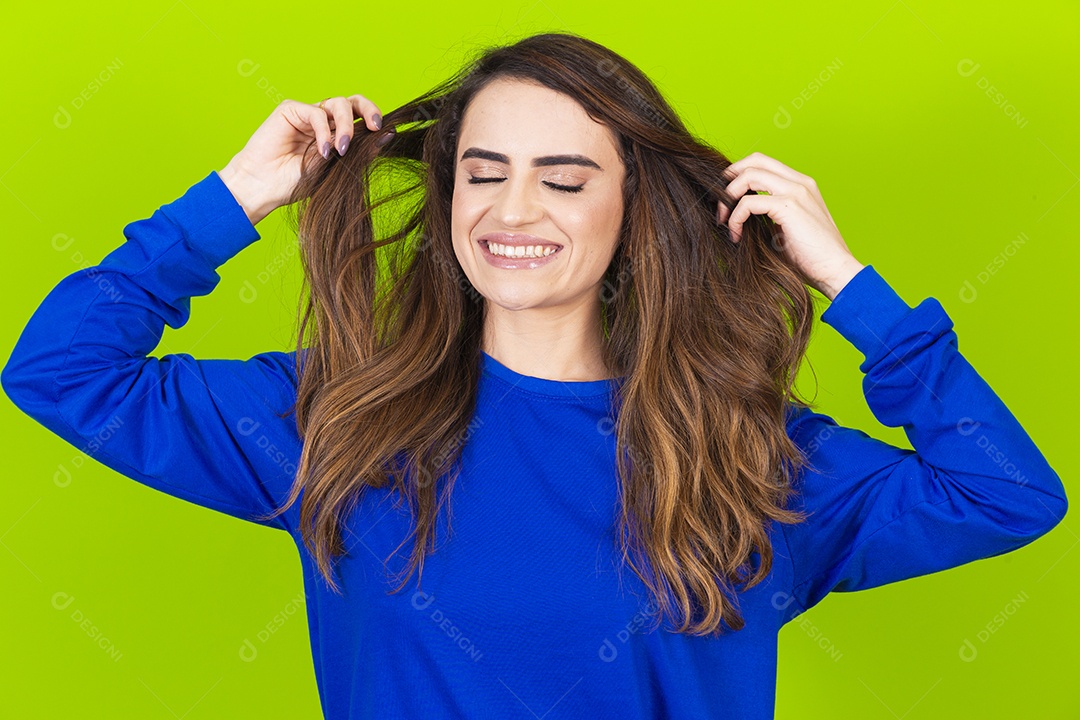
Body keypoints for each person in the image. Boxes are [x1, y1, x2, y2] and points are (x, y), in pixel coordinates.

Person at [2, 31, 1067, 719]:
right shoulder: (337, 421)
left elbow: (1009, 493)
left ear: (632, 208)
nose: (514, 215)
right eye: (484, 173)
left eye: (564, 180)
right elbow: (58, 368)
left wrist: (850, 284)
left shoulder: (747, 454)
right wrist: (233, 196)